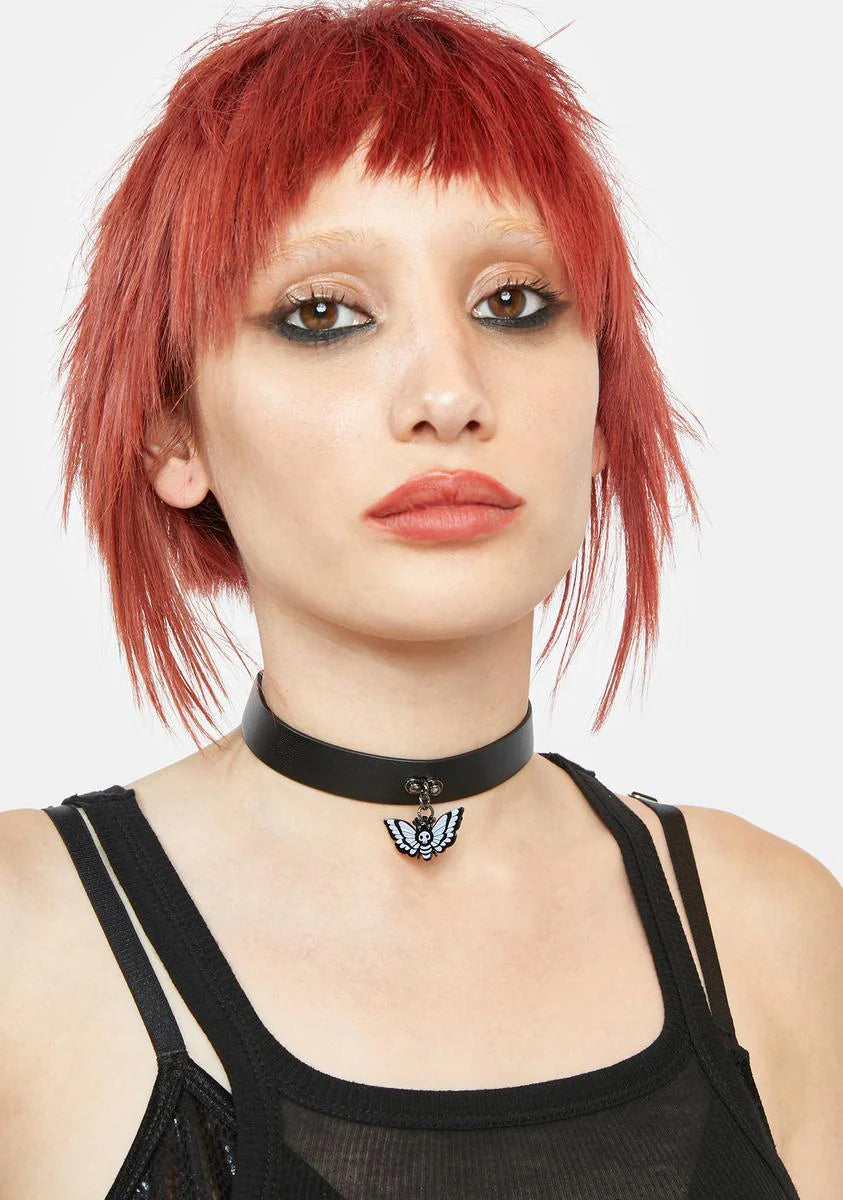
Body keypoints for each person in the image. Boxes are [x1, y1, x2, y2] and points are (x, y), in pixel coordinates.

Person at [0, 0, 839, 1196]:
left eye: (514, 304)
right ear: (172, 433)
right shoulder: (24, 943)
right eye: (323, 315)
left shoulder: (776, 934)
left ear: (602, 406)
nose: (449, 394)